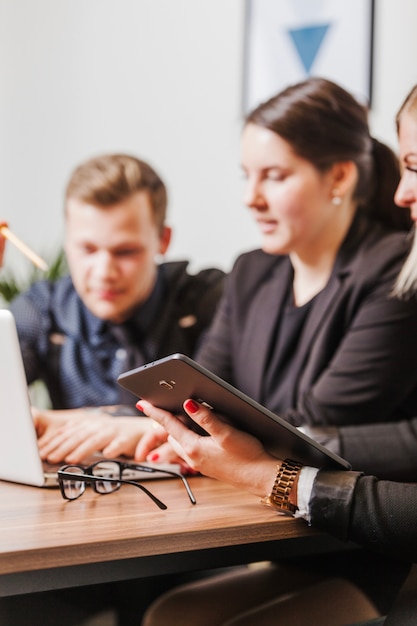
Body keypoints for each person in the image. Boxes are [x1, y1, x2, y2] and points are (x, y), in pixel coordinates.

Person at [135, 82, 417, 626]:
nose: (250, 197)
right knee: (170, 615)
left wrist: (230, 442)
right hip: (311, 525)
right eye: (248, 176)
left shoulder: (395, 270)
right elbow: (206, 394)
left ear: (339, 176)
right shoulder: (253, 271)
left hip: (363, 540)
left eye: (275, 176)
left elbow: (321, 420)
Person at [7, 153, 225, 464]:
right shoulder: (40, 312)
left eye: (125, 251)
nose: (104, 271)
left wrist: (96, 421)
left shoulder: (206, 302)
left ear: (163, 240)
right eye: (87, 249)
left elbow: (238, 412)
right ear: (67, 240)